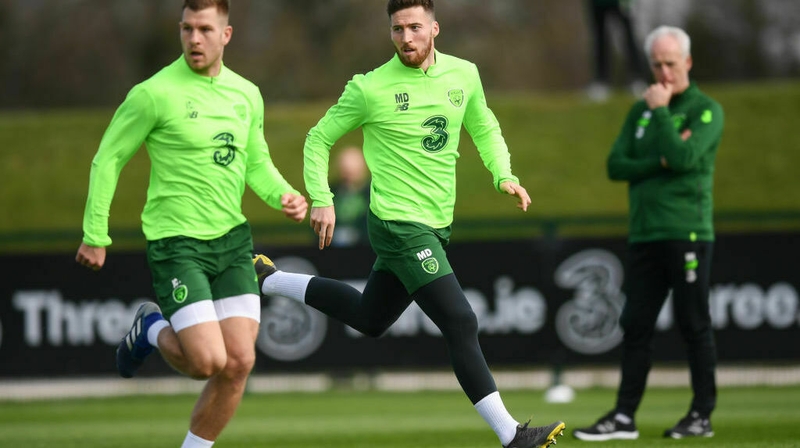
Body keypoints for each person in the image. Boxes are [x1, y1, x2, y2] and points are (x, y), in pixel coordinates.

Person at [255, 1, 565, 447]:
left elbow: (485, 128)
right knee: (461, 321)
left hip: (436, 223)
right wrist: (322, 200)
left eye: (414, 27)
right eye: (397, 29)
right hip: (397, 223)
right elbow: (318, 137)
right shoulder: (370, 88)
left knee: (369, 317)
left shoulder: (464, 74)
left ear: (434, 28)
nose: (406, 37)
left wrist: (505, 175)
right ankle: (512, 435)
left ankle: (268, 278)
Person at [74, 1, 307, 447]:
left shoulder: (246, 94)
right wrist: (94, 234)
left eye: (204, 29)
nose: (194, 39)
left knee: (238, 361)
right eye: (187, 29)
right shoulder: (154, 93)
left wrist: (284, 195)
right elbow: (109, 158)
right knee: (206, 362)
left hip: (232, 242)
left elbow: (255, 162)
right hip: (177, 243)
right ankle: (151, 328)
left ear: (227, 35)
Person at [572, 25, 724, 441]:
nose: (662, 72)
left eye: (670, 63)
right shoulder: (638, 111)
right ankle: (624, 416)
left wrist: (661, 116)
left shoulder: (704, 109)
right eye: (656, 64)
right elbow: (616, 165)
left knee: (694, 323)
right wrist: (659, 160)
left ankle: (701, 414)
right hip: (644, 235)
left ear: (687, 62)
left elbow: (685, 156)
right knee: (636, 324)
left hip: (687, 233)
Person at [584, 0, 647, 102]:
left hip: (622, 2)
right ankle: (601, 82)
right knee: (599, 38)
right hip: (597, 2)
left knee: (628, 37)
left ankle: (637, 79)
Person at [328, 145, 370, 247]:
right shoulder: (330, 192)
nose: (348, 177)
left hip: (365, 249)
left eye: (352, 172)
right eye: (346, 171)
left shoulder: (373, 195)